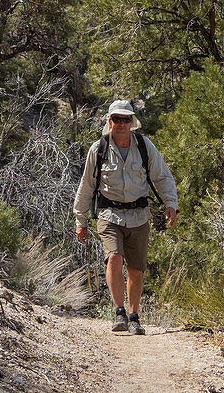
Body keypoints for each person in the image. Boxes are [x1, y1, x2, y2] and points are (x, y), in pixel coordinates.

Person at [74, 99, 178, 334]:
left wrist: (170, 203)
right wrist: (80, 221)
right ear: (109, 122)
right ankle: (119, 312)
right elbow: (86, 187)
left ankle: (134, 316)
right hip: (108, 214)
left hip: (139, 215)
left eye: (126, 119)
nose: (121, 124)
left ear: (132, 122)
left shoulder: (144, 146)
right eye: (117, 119)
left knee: (135, 269)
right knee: (114, 258)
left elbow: (162, 176)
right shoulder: (98, 149)